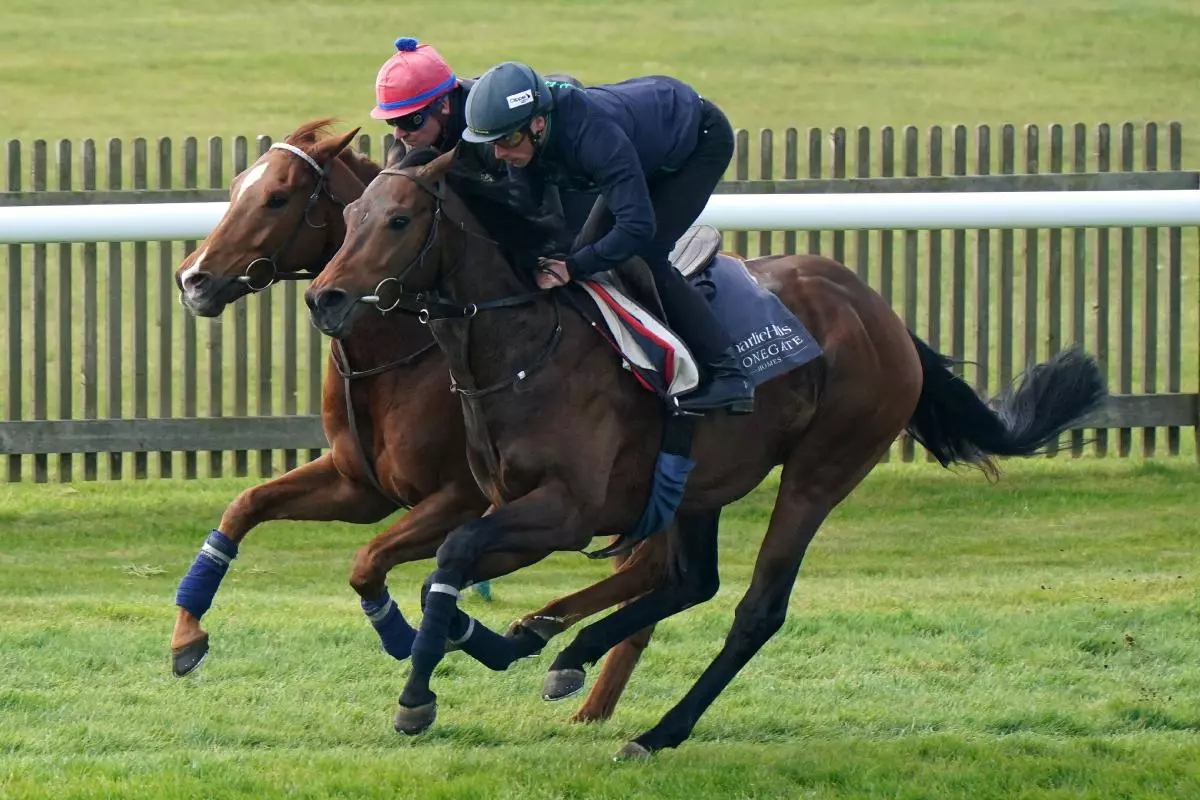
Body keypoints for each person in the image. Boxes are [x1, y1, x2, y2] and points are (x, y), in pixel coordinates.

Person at [461, 61, 753, 415]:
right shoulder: (529, 135)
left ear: (538, 124)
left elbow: (636, 228)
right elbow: (524, 210)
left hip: (697, 143)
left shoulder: (591, 137)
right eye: (492, 143)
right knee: (587, 252)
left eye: (506, 140)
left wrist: (572, 266)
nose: (500, 153)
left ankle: (730, 374)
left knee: (645, 254)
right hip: (645, 140)